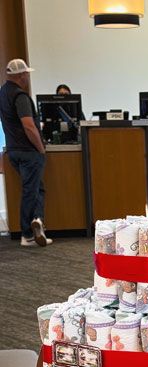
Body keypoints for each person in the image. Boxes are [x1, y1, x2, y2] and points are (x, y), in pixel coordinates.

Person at [0, 59, 52, 247]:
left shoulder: (3, 93)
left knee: (37, 187)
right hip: (28, 150)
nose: (28, 77)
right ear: (21, 75)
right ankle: (27, 234)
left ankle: (37, 220)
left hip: (13, 149)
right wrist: (40, 148)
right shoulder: (20, 96)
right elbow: (29, 126)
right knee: (31, 189)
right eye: (26, 74)